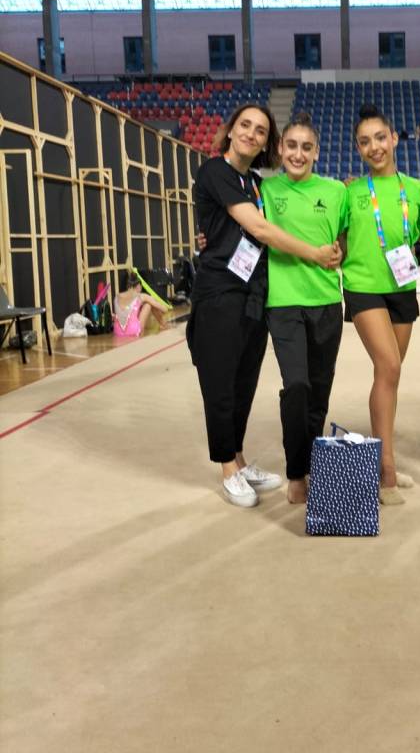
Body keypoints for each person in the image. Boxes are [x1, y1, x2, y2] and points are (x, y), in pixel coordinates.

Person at [188, 103, 341, 509]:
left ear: (264, 142)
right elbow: (258, 228)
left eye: (259, 130)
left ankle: (239, 458)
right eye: (245, 125)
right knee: (220, 383)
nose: (251, 134)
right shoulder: (215, 171)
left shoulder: (255, 183)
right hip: (220, 292)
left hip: (254, 294)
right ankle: (227, 467)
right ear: (231, 129)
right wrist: (314, 253)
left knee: (244, 382)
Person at [342, 105, 420, 505]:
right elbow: (337, 241)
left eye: (380, 138)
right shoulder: (350, 192)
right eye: (364, 142)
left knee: (389, 376)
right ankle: (385, 472)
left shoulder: (416, 190)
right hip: (363, 286)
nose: (374, 147)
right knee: (389, 366)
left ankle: (384, 456)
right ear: (358, 148)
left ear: (394, 139)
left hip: (402, 287)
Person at [262, 113, 348, 506]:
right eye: (292, 146)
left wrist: (341, 250)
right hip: (283, 303)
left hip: (327, 302)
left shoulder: (335, 191)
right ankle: (296, 472)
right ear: (281, 148)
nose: (298, 154)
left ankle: (312, 464)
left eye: (306, 147)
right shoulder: (265, 189)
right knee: (296, 386)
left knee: (319, 391)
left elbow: (345, 236)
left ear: (317, 152)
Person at [113, 269, 170, 336]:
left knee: (133, 311)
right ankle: (163, 325)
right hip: (133, 330)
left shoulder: (117, 297)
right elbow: (164, 309)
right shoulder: (141, 296)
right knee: (148, 304)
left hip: (117, 331)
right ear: (139, 286)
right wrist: (154, 301)